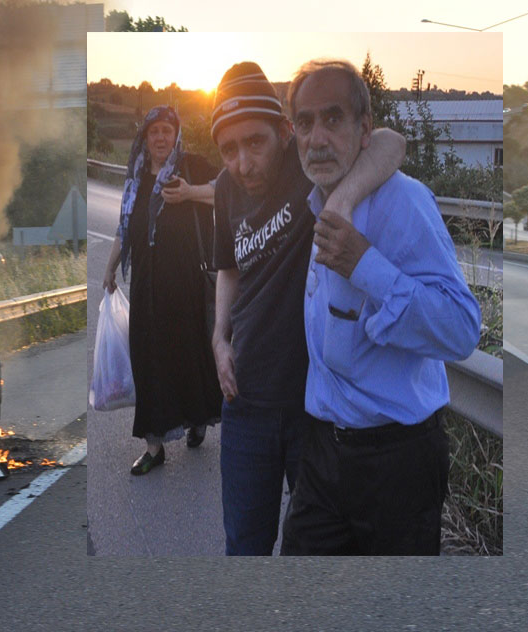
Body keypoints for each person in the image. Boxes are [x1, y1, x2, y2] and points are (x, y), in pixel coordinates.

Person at [280, 60, 481, 555]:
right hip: (323, 455)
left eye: (333, 118)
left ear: (363, 128)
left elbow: (462, 329)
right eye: (305, 123)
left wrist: (365, 265)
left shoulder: (405, 202)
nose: (317, 137)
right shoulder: (318, 202)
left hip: (398, 462)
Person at [210, 62, 405, 555]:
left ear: (284, 131)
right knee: (244, 545)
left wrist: (340, 201)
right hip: (245, 403)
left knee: (316, 551)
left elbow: (389, 142)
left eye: (255, 143)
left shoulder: (310, 170)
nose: (243, 162)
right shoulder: (223, 188)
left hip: (312, 408)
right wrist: (218, 336)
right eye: (229, 149)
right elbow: (229, 267)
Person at [102, 105, 222, 475]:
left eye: (166, 131)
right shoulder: (136, 178)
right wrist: (110, 267)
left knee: (186, 354)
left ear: (176, 135)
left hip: (184, 282)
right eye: (153, 131)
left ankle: (197, 417)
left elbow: (227, 191)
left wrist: (190, 193)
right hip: (146, 287)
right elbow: (126, 227)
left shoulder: (192, 167)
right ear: (145, 136)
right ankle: (154, 445)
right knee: (147, 360)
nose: (160, 138)